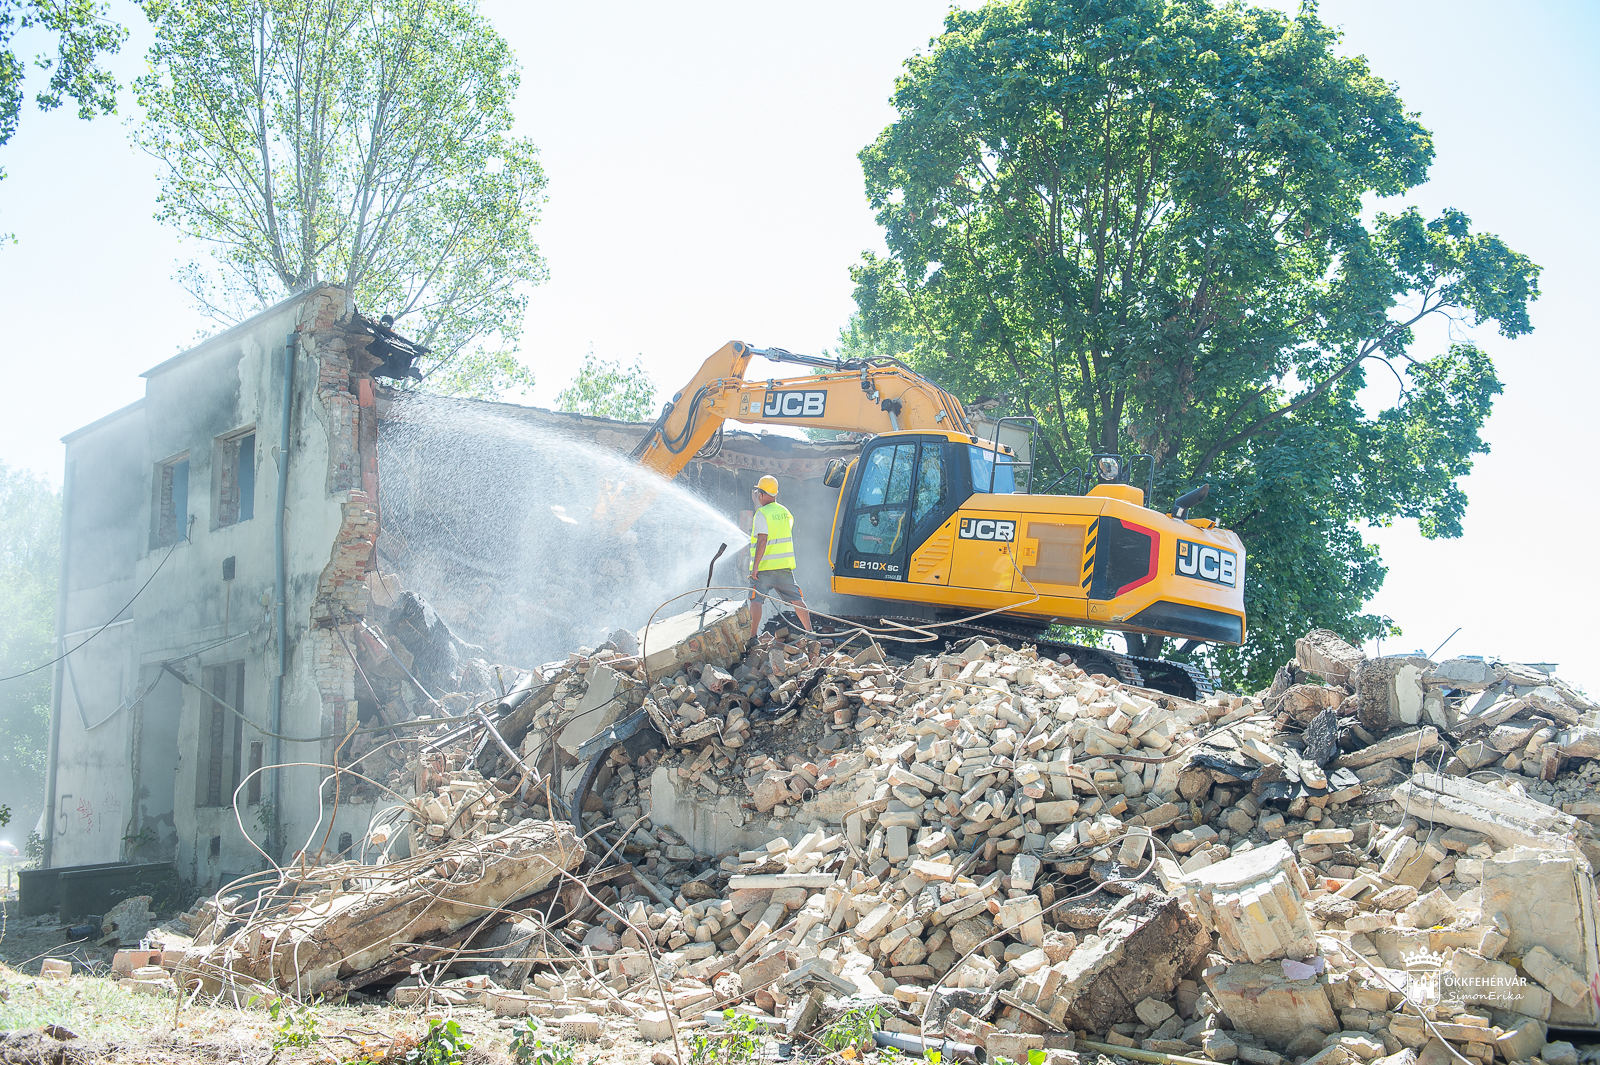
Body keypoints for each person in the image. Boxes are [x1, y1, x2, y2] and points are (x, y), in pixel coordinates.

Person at [748, 475, 812, 639]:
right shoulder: (785, 513)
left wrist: (755, 567)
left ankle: (753, 638)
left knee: (756, 600)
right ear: (775, 493)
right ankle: (810, 633)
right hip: (784, 568)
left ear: (761, 494)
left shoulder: (762, 513)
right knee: (797, 600)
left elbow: (762, 540)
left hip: (764, 570)